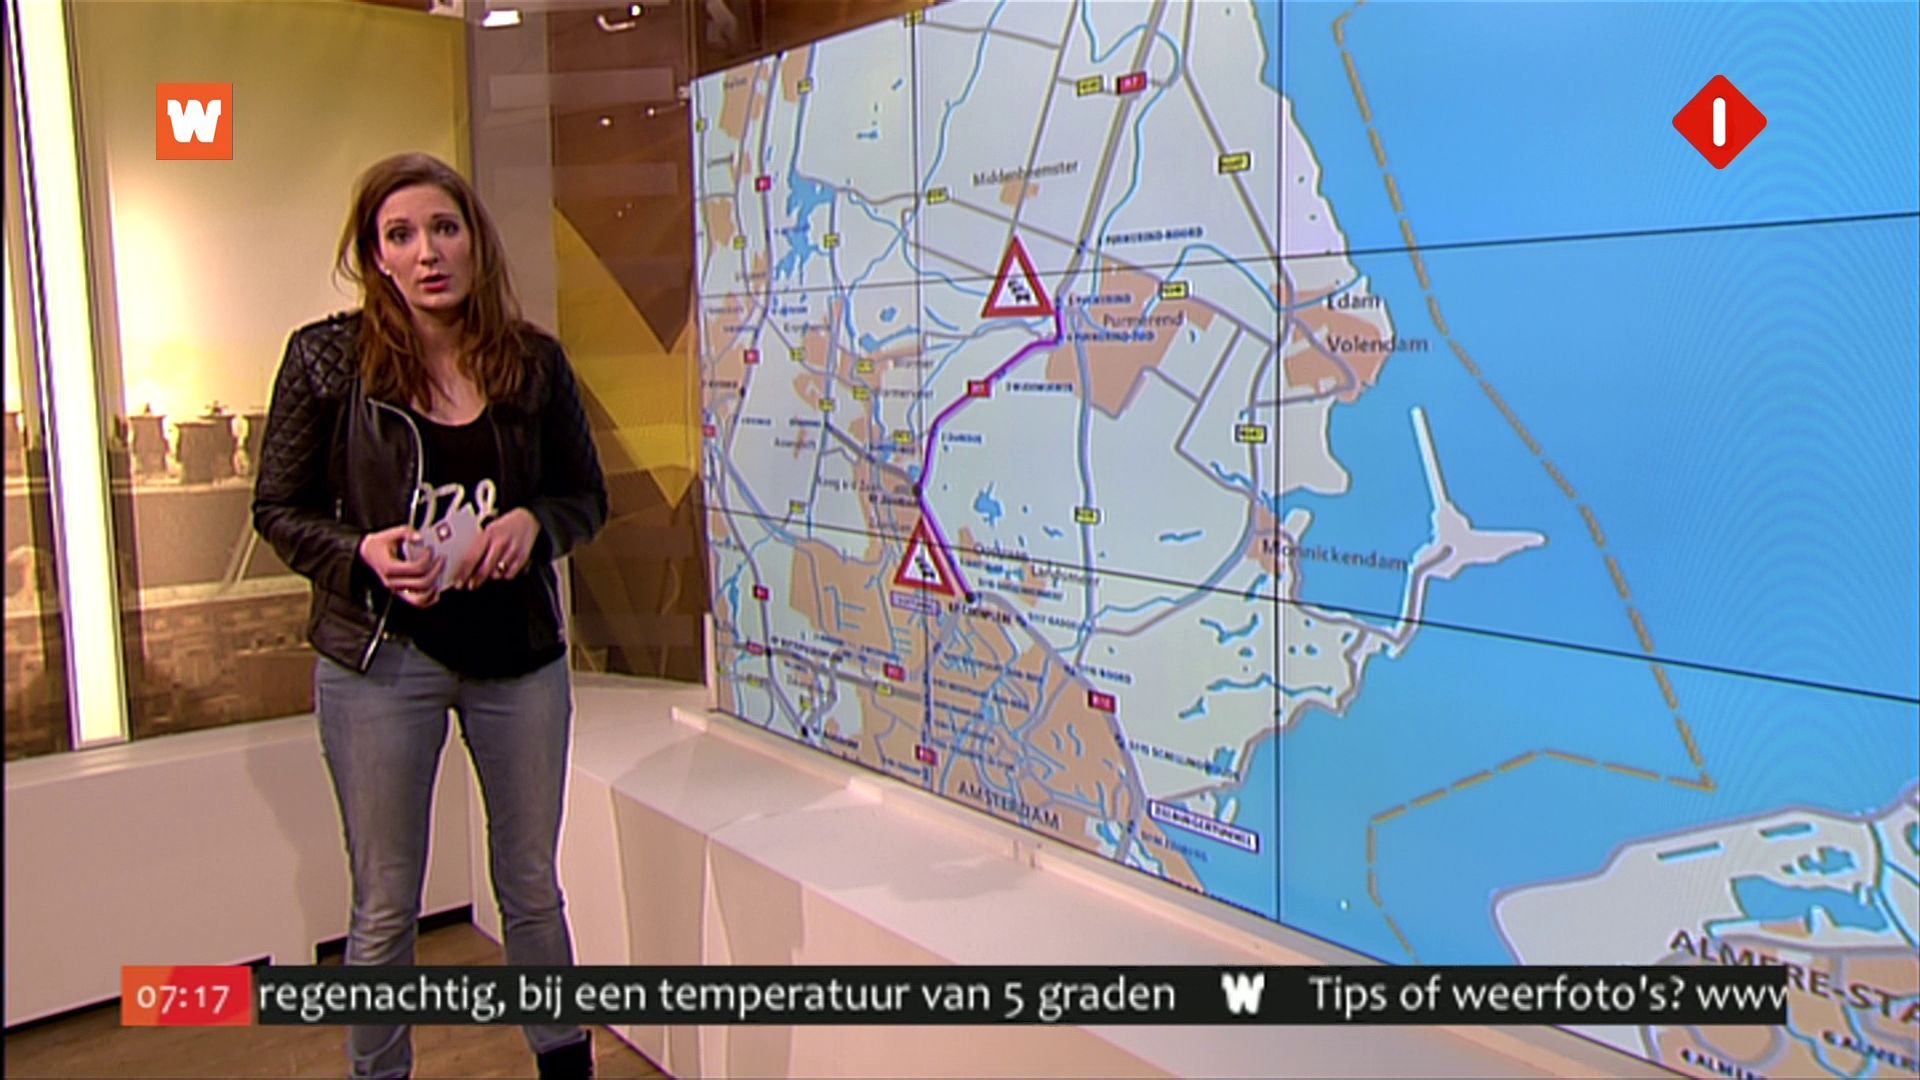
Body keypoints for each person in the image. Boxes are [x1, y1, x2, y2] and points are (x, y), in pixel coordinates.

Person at [253, 152, 607, 1079]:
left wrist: (535, 524)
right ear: (374, 255)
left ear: (474, 240)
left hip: (517, 658)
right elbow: (277, 510)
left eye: (443, 229)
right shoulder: (325, 362)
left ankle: (564, 1063)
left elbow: (585, 497)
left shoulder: (532, 363)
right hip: (382, 660)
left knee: (530, 885)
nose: (426, 253)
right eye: (400, 235)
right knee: (383, 904)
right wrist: (361, 553)